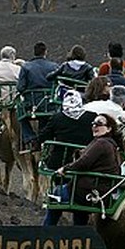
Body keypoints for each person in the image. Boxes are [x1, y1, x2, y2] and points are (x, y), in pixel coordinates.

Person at [35, 90, 97, 225]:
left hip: (59, 164)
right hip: (85, 165)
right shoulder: (92, 117)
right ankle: (79, 227)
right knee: (80, 197)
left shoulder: (57, 118)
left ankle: (50, 226)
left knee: (58, 191)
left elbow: (43, 137)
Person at [54, 113, 123, 225]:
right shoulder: (109, 144)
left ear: (109, 128)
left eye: (99, 123)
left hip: (92, 192)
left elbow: (83, 163)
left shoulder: (101, 143)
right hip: (97, 190)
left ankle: (46, 231)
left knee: (56, 193)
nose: (94, 126)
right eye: (93, 123)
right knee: (78, 208)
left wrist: (65, 168)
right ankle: (79, 233)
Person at [16, 42, 59, 151]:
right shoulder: (54, 66)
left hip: (33, 105)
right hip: (50, 104)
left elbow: (20, 87)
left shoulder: (26, 67)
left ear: (34, 53)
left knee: (20, 114)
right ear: (45, 52)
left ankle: (30, 137)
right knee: (44, 117)